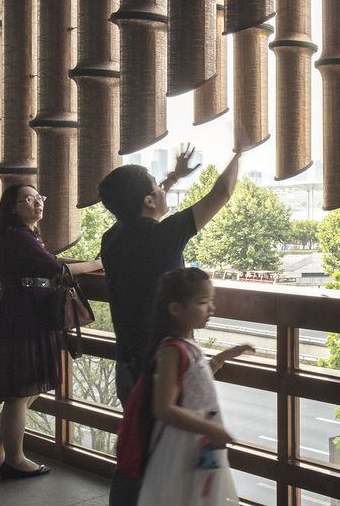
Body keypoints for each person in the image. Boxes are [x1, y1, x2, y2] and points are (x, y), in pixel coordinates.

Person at [0, 182, 103, 482]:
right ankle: (15, 460)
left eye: (39, 197)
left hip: (22, 314)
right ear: (12, 207)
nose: (37, 203)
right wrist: (98, 264)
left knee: (21, 393)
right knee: (20, 392)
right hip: (23, 317)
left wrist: (83, 264)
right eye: (28, 199)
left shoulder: (20, 236)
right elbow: (56, 270)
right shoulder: (18, 236)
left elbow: (51, 263)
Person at [99, 144, 241, 400]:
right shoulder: (166, 236)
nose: (164, 189)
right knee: (170, 436)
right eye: (157, 185)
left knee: (139, 436)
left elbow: (141, 204)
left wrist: (172, 178)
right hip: (165, 364)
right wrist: (239, 151)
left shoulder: (110, 239)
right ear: (149, 200)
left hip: (126, 364)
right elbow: (222, 192)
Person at [135, 267, 253, 506]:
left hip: (197, 443)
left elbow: (193, 384)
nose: (212, 308)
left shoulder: (188, 345)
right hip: (182, 445)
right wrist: (212, 429)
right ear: (176, 308)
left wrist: (223, 357)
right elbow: (164, 408)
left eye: (211, 301)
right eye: (203, 302)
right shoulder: (172, 351)